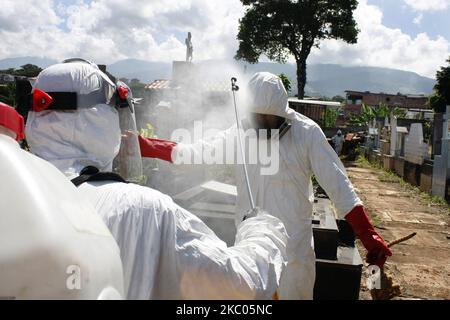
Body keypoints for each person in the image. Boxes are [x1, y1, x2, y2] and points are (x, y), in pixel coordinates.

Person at [24, 61, 288, 300]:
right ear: (101, 119)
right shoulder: (145, 210)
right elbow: (236, 285)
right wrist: (263, 233)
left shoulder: (14, 192)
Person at [138, 72, 392, 300]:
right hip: (251, 253)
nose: (262, 124)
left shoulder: (306, 133)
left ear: (283, 114)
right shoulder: (240, 132)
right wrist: (145, 146)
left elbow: (340, 187)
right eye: (257, 118)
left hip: (293, 254)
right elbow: (195, 152)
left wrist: (368, 235)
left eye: (270, 120)